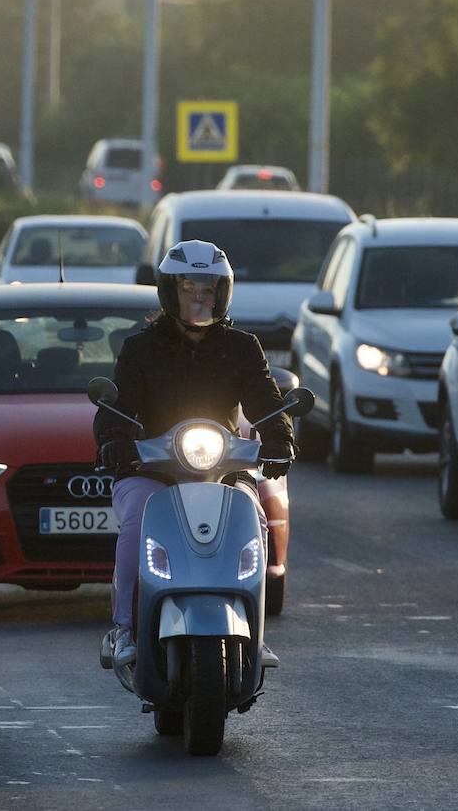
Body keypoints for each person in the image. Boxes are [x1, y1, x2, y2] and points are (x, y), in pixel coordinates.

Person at [94, 239, 296, 669]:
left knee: (254, 516)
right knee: (136, 521)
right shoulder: (140, 348)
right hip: (151, 467)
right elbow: (119, 405)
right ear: (171, 292)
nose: (199, 297)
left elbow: (266, 398)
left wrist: (280, 437)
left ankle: (254, 633)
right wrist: (113, 439)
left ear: (222, 293)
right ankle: (123, 628)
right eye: (189, 288)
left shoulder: (243, 346)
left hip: (222, 467)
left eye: (208, 289)